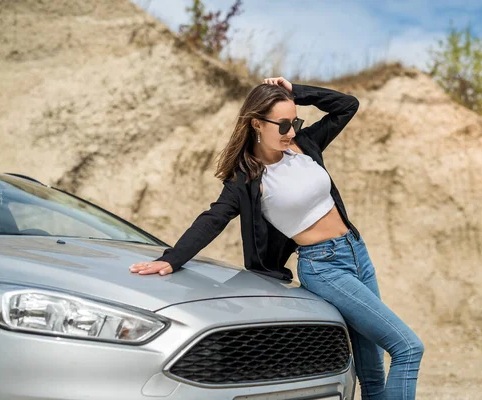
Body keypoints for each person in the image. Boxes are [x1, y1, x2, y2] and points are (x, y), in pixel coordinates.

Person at [129, 77, 424, 399]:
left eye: (295, 122)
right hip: (325, 268)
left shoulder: (303, 146)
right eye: (283, 125)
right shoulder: (246, 180)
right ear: (256, 123)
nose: (292, 132)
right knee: (408, 348)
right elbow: (212, 219)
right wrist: (169, 260)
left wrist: (294, 91)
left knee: (372, 371)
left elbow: (346, 106)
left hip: (356, 253)